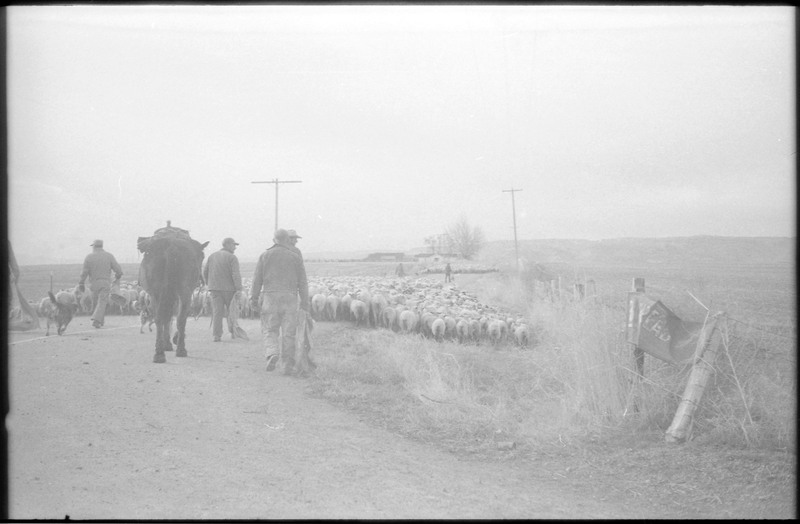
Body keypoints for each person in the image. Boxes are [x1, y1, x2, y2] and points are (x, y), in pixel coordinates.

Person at [250, 228, 309, 375]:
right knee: (289, 332)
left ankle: (272, 352)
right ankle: (287, 365)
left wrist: (253, 298)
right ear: (288, 240)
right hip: (290, 297)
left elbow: (257, 279)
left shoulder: (264, 256)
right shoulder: (295, 256)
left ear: (274, 240)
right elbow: (303, 281)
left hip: (270, 296)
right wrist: (305, 302)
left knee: (270, 328)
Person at [202, 237, 243, 342]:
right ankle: (233, 332)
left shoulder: (212, 256)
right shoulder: (232, 257)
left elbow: (205, 272)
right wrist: (239, 288)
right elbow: (236, 274)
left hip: (214, 289)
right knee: (232, 312)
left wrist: (209, 283)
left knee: (217, 312)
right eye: (234, 245)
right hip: (229, 290)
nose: (235, 247)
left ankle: (216, 335)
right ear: (228, 245)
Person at [78, 240, 123, 328]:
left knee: (96, 302)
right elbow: (117, 269)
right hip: (105, 282)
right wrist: (118, 274)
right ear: (101, 246)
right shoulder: (109, 256)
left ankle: (99, 322)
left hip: (93, 283)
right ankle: (97, 320)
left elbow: (84, 272)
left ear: (94, 246)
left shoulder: (89, 257)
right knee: (102, 302)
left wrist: (81, 282)